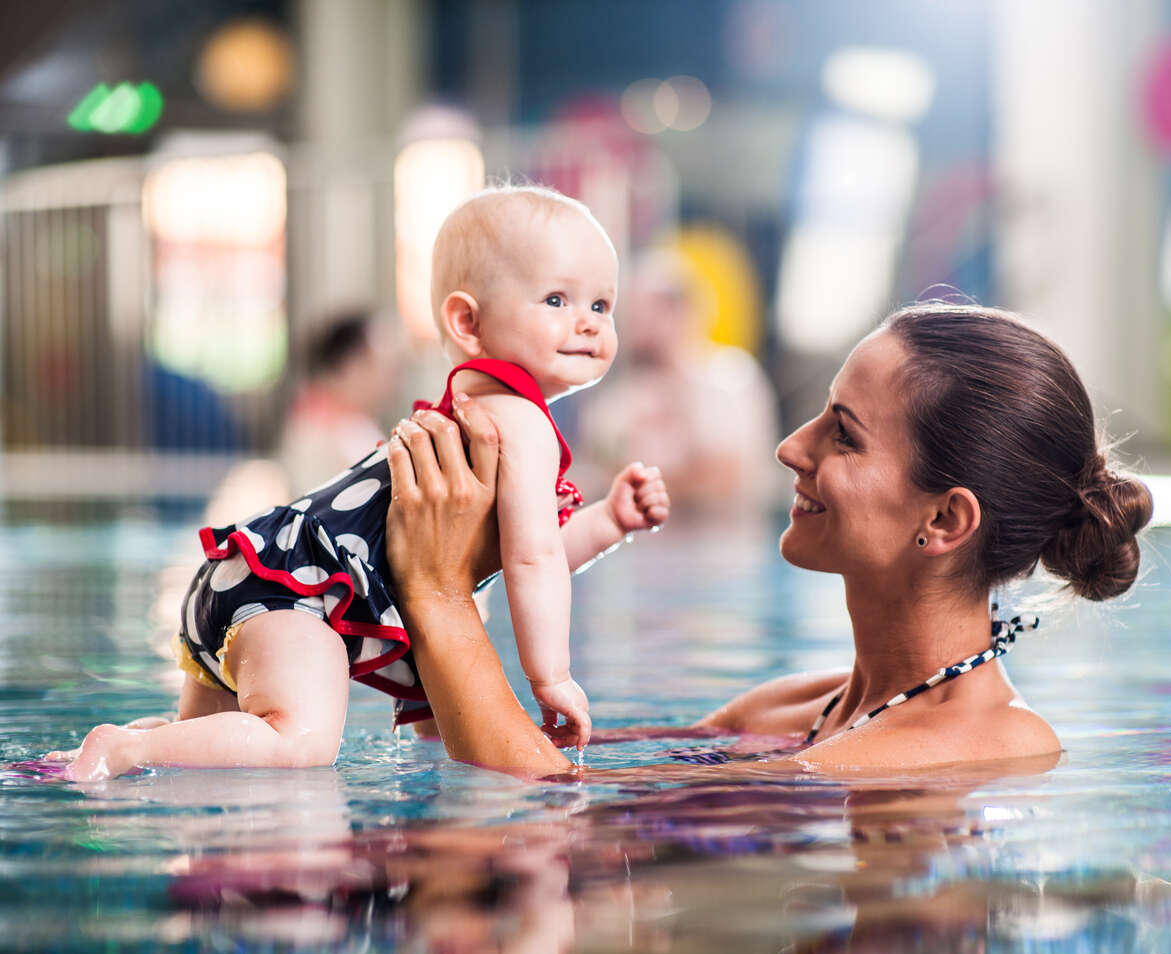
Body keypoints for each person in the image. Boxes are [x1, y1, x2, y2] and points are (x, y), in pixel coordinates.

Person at [50, 186, 670, 782]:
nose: (588, 324)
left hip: (251, 573)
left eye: (602, 305)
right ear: (467, 322)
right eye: (557, 301)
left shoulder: (470, 404)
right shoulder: (522, 420)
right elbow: (530, 559)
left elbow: (528, 552)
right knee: (300, 742)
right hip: (300, 597)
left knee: (213, 752)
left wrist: (609, 523)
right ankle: (126, 746)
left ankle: (128, 743)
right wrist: (551, 676)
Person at [382, 300, 1153, 777]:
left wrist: (439, 596)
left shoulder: (992, 743)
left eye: (842, 436)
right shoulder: (794, 708)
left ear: (944, 521)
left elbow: (551, 819)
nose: (791, 446)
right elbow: (572, 767)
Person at [573, 248, 781, 511]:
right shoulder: (623, 394)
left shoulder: (730, 378)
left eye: (645, 310)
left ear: (679, 309)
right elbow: (597, 466)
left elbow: (728, 478)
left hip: (719, 538)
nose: (633, 323)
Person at [276, 311, 405, 496]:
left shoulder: (354, 421)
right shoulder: (317, 429)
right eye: (383, 366)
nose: (392, 380)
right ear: (348, 366)